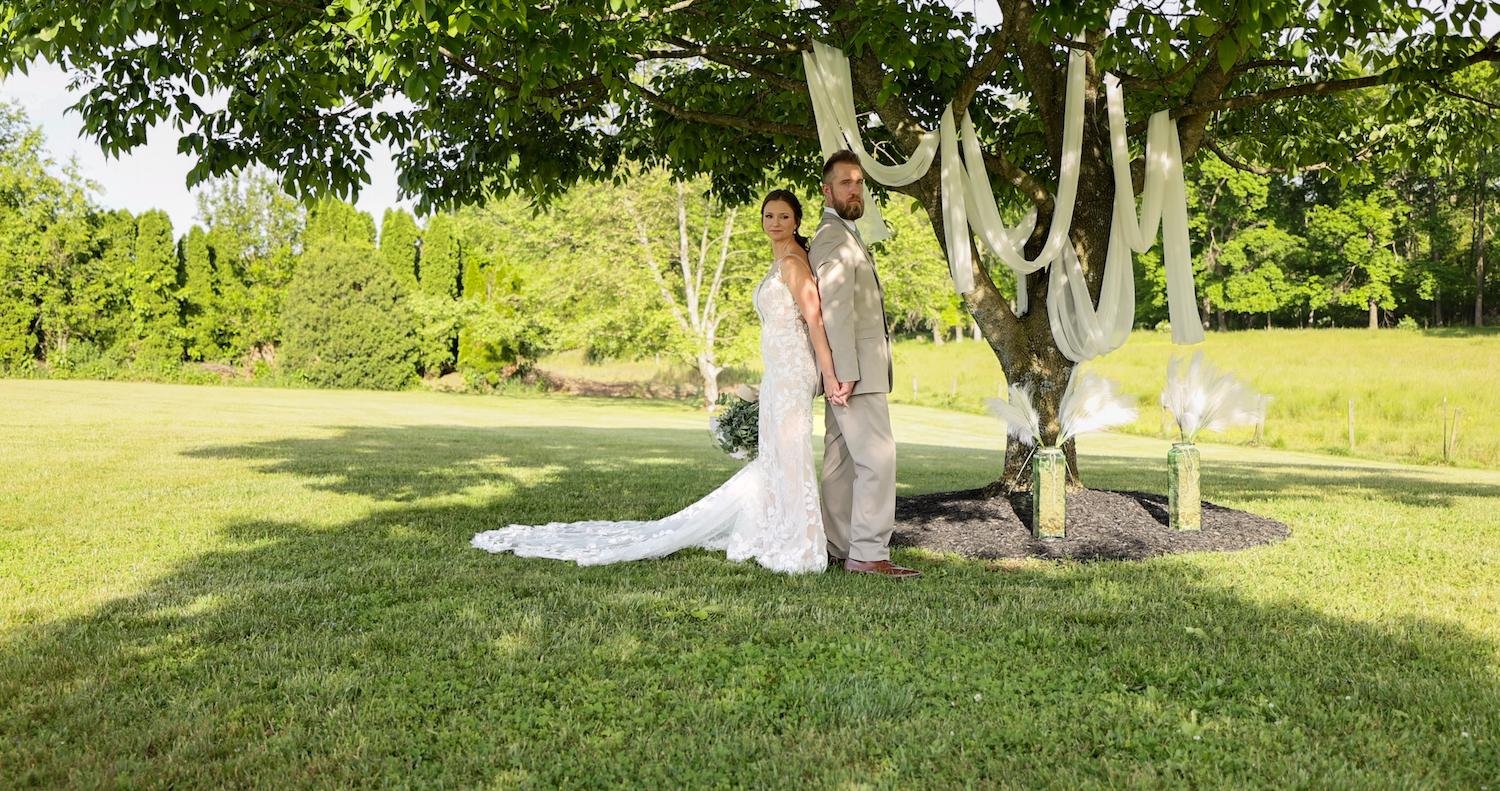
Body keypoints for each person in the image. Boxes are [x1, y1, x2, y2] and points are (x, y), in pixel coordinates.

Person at [471, 189, 843, 574]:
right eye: (769, 216)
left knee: (789, 451)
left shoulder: (794, 264)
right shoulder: (778, 261)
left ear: (796, 221)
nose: (775, 223)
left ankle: (796, 542)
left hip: (792, 370)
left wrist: (828, 374)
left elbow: (814, 320)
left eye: (783, 217)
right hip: (777, 369)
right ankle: (776, 531)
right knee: (777, 455)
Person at [810, 150, 920, 579]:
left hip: (849, 368)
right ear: (827, 189)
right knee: (877, 458)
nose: (854, 190)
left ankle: (838, 546)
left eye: (858, 183)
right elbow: (834, 311)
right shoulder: (835, 237)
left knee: (841, 461)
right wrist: (845, 373)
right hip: (854, 371)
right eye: (845, 183)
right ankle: (869, 554)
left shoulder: (841, 232)